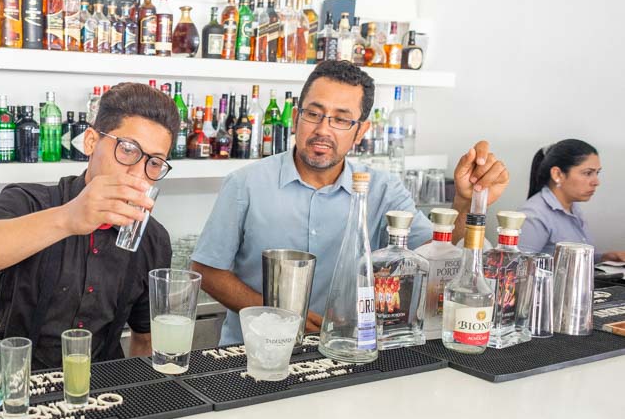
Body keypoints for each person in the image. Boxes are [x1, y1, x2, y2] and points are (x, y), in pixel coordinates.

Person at [190, 60, 510, 344]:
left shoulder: (383, 190)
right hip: (253, 350)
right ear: (297, 116)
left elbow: (435, 252)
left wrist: (465, 203)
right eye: (313, 114)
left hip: (348, 349)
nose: (322, 130)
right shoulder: (245, 184)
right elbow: (207, 269)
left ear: (361, 132)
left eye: (341, 120)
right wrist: (274, 316)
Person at [0, 82, 175, 368]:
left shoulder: (152, 238)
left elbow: (145, 337)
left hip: (105, 388)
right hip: (19, 384)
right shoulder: (30, 202)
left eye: (155, 163)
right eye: (127, 150)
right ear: (91, 141)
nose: (139, 174)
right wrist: (67, 218)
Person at [520, 139, 625, 261]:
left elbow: (570, 261)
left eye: (597, 173)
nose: (596, 182)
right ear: (557, 174)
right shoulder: (533, 216)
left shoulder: (572, 207)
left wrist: (604, 258)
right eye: (588, 173)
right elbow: (517, 270)